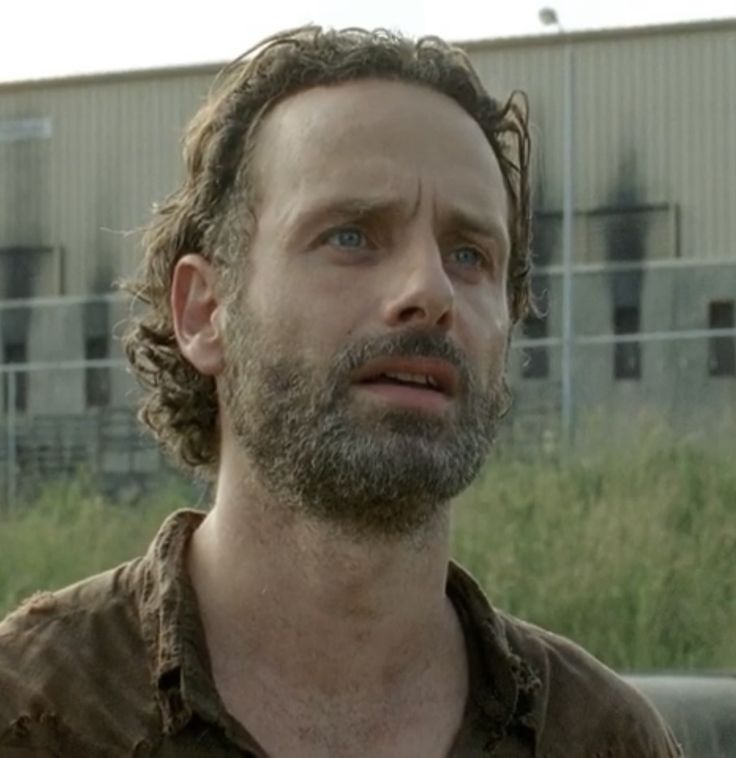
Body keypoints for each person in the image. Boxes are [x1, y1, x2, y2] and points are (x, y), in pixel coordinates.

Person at [0, 26, 681, 757]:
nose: (430, 290)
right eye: (352, 236)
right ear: (204, 312)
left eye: (469, 254)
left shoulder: (600, 738)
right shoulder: (34, 714)